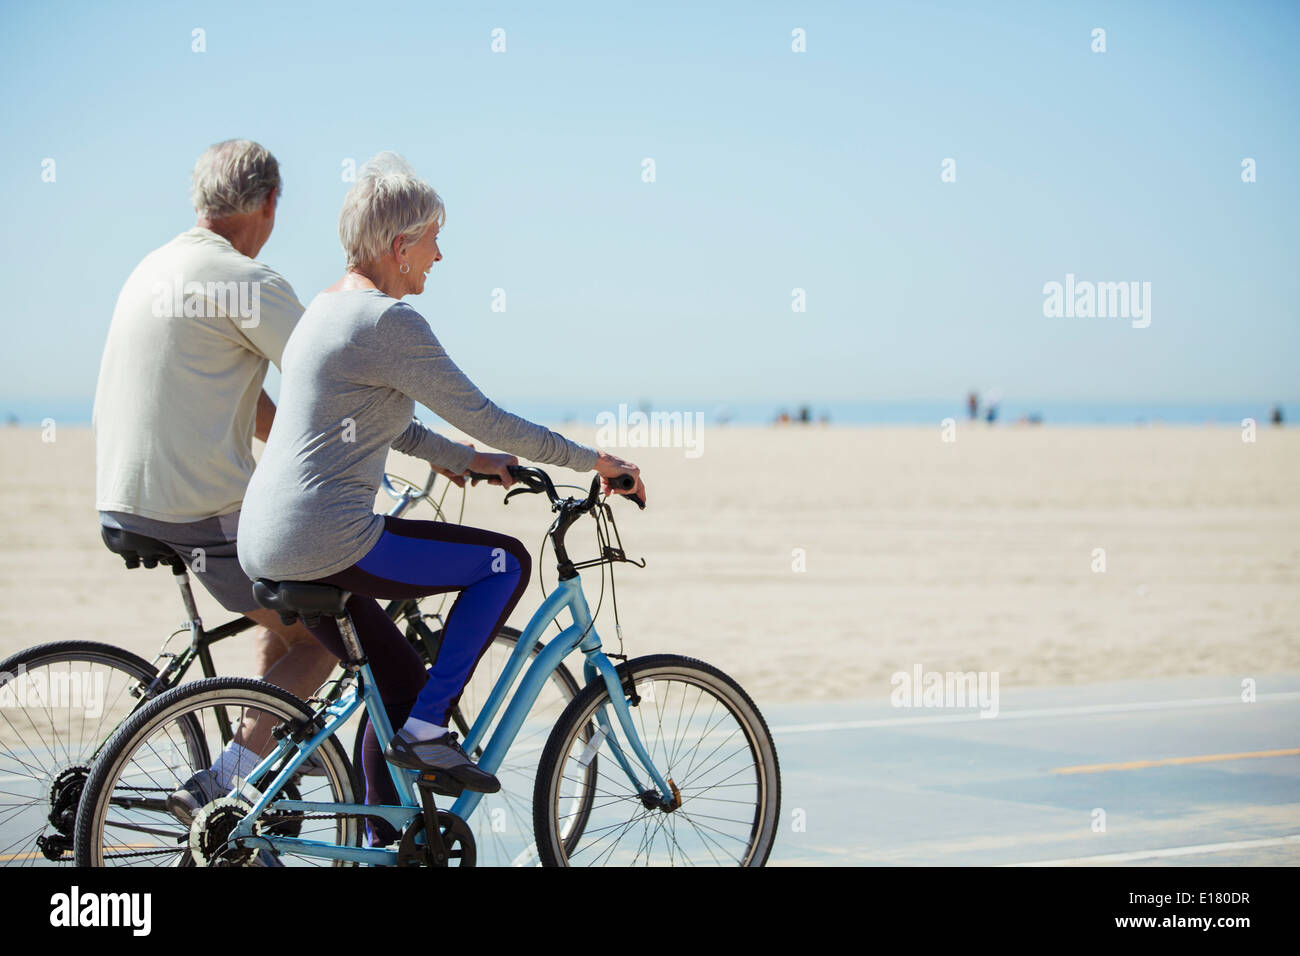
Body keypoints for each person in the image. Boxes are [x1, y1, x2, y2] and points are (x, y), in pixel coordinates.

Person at [235, 152, 646, 845]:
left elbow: (382, 419)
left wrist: (467, 463)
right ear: (401, 246)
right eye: (433, 240)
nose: (440, 255)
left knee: (395, 681)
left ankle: (379, 838)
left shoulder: (325, 312)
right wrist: (592, 462)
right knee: (505, 563)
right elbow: (485, 414)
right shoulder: (388, 323)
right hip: (328, 539)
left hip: (269, 538)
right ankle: (430, 732)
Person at [93, 140, 338, 817]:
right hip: (193, 508)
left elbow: (240, 398)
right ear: (267, 205)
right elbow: (331, 375)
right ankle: (230, 779)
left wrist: (297, 438)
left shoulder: (154, 265)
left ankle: (260, 748)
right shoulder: (248, 281)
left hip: (122, 495)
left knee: (282, 603)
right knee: (329, 630)